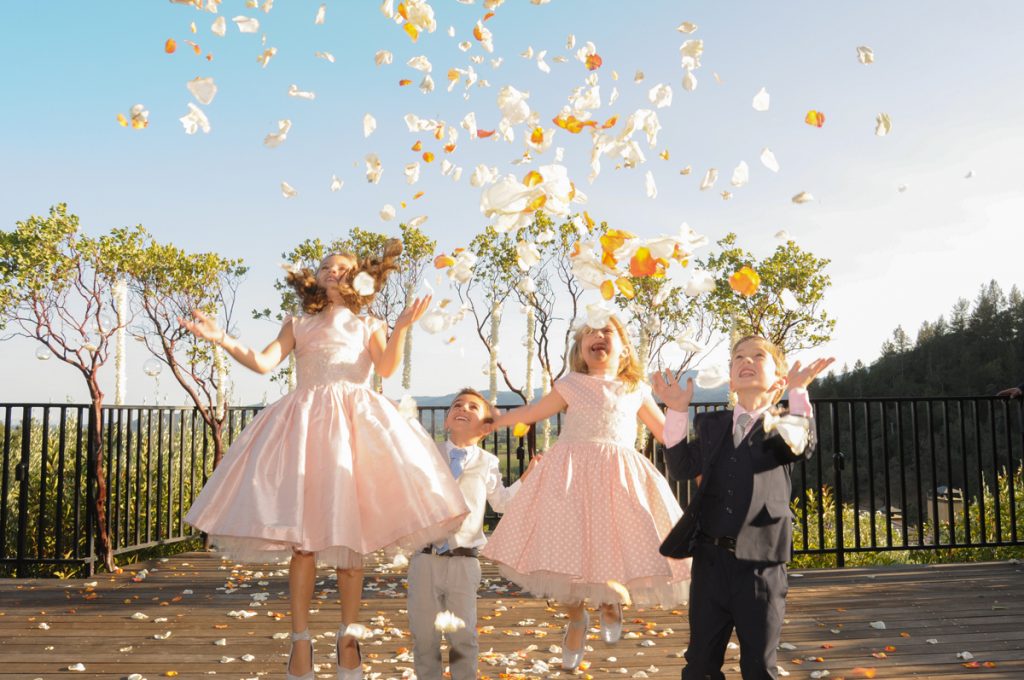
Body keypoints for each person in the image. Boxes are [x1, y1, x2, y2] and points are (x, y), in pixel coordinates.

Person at [181, 241, 469, 680]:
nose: (333, 270)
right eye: (325, 266)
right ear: (314, 278)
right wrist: (221, 338)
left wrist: (403, 327)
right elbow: (262, 363)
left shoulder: (366, 322)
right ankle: (300, 642)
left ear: (358, 278)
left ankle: (347, 638)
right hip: (304, 429)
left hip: (356, 430)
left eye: (343, 267)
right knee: (305, 544)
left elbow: (387, 368)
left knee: (350, 545)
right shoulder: (298, 323)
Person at [482, 314, 691, 672]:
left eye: (607, 331)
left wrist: (678, 409)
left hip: (618, 478)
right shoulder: (571, 383)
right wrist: (495, 421)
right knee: (562, 552)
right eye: (589, 334)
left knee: (613, 542)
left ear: (623, 350)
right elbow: (534, 412)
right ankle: (576, 618)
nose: (597, 337)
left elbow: (666, 435)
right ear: (580, 350)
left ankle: (611, 600)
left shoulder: (635, 388)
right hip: (570, 477)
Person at [654, 335, 834, 680]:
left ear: (778, 381)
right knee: (700, 663)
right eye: (738, 357)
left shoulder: (782, 428)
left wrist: (797, 393)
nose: (746, 361)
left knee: (758, 666)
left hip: (761, 567)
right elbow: (680, 467)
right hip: (710, 562)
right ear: (731, 379)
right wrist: (676, 411)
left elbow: (801, 446)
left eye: (758, 356)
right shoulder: (712, 425)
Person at [407, 387, 540, 680]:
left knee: (463, 638)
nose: (462, 409)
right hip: (425, 560)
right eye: (457, 405)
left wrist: (527, 479)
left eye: (472, 407)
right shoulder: (427, 453)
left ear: (485, 428)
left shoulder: (487, 462)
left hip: (464, 562)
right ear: (445, 421)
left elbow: (502, 503)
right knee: (425, 638)